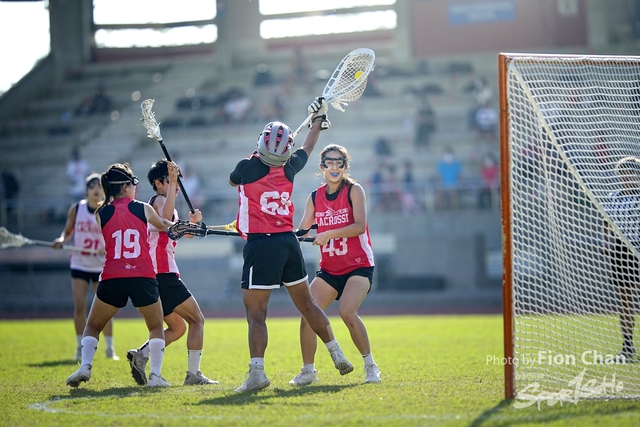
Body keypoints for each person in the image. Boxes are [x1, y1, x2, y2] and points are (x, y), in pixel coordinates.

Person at [229, 97, 353, 392]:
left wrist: (262, 152)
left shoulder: (247, 166)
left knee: (256, 314)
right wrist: (317, 121)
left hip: (261, 245)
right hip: (288, 242)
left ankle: (257, 373)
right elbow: (308, 146)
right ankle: (337, 353)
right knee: (308, 305)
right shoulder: (290, 168)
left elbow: (234, 181)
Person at [66, 163, 177, 388]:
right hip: (142, 275)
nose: (136, 187)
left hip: (112, 276)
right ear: (125, 186)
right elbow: (164, 225)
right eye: (133, 183)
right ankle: (155, 376)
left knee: (93, 326)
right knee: (156, 327)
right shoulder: (144, 208)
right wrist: (184, 226)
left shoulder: (100, 213)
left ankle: (85, 366)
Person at [289, 144, 381, 386]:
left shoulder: (354, 190)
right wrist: (278, 233)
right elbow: (302, 231)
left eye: (339, 162)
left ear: (345, 166)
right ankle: (308, 371)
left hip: (358, 265)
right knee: (308, 313)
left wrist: (328, 233)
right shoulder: (314, 197)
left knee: (347, 312)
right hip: (329, 269)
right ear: (322, 167)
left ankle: (370, 365)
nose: (334, 166)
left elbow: (359, 226)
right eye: (329, 162)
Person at [126, 159, 218, 387]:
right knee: (197, 319)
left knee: (178, 328)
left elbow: (182, 233)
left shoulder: (167, 204)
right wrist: (174, 182)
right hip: (163, 273)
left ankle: (141, 354)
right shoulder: (158, 201)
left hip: (158, 273)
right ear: (158, 183)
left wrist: (194, 223)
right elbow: (165, 221)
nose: (176, 186)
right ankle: (193, 374)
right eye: (170, 181)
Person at [53, 173, 118, 361]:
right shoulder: (77, 209)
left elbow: (115, 235)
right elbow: (67, 233)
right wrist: (61, 240)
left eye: (99, 186)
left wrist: (106, 248)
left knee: (105, 308)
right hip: (79, 264)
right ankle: (79, 348)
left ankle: (109, 348)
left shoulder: (108, 210)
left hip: (101, 266)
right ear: (86, 191)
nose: (96, 190)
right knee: (80, 306)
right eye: (92, 187)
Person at [604, 156, 640, 361]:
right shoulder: (614, 197)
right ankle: (627, 347)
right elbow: (606, 220)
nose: (625, 178)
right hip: (620, 250)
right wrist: (606, 242)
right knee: (624, 300)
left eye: (629, 174)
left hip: (638, 248)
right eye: (622, 174)